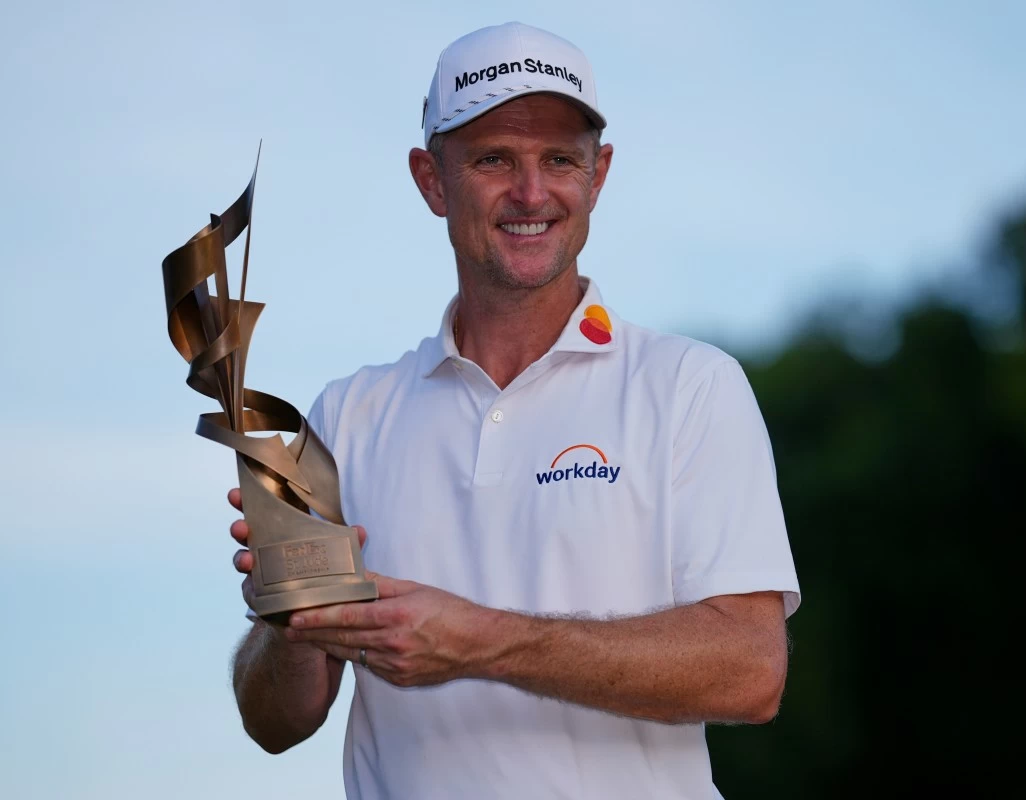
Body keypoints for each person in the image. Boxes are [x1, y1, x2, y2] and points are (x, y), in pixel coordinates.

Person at [227, 21, 800, 800]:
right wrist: (290, 616)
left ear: (597, 177)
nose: (532, 193)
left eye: (559, 159)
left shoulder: (691, 386)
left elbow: (751, 672)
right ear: (432, 180)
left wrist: (482, 642)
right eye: (494, 158)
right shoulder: (347, 415)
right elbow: (276, 723)